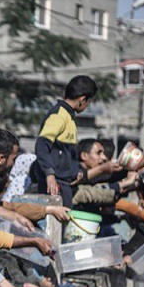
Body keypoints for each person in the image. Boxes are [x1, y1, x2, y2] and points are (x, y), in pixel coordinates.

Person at [0, 129, 53, 255]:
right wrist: (34, 241)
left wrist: (16, 217)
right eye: (13, 159)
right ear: (1, 159)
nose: (13, 164)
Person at [34, 75, 98, 207]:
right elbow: (42, 145)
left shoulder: (69, 118)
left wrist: (77, 171)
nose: (87, 106)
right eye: (88, 102)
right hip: (54, 186)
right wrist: (49, 174)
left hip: (65, 185)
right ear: (82, 99)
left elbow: (67, 155)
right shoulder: (58, 115)